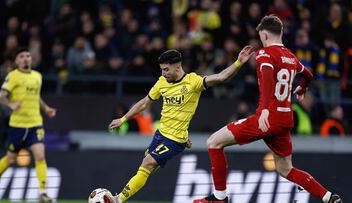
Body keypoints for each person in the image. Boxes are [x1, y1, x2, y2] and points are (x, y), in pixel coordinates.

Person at [193, 15, 342, 203]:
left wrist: (263, 109)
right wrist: (302, 88)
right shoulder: (290, 56)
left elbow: (267, 82)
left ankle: (219, 198)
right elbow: (309, 75)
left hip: (267, 117)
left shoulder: (264, 54)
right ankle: (328, 196)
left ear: (264, 35)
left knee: (213, 142)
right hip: (285, 119)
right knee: (285, 169)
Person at [107, 46, 254, 203]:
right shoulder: (162, 82)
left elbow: (221, 77)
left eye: (166, 69)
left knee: (148, 163)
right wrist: (123, 119)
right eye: (162, 70)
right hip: (160, 135)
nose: (163, 73)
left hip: (174, 140)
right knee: (145, 168)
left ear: (177, 66)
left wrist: (238, 62)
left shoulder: (193, 82)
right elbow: (144, 103)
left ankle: (117, 200)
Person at [0, 47, 56, 203]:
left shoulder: (37, 76)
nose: (26, 58)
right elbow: (0, 97)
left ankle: (43, 193)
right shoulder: (12, 76)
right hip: (18, 126)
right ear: (17, 60)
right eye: (22, 56)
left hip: (35, 124)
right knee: (10, 159)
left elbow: (36, 96)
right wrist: (11, 104)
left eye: (28, 56)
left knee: (40, 156)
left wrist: (46, 108)